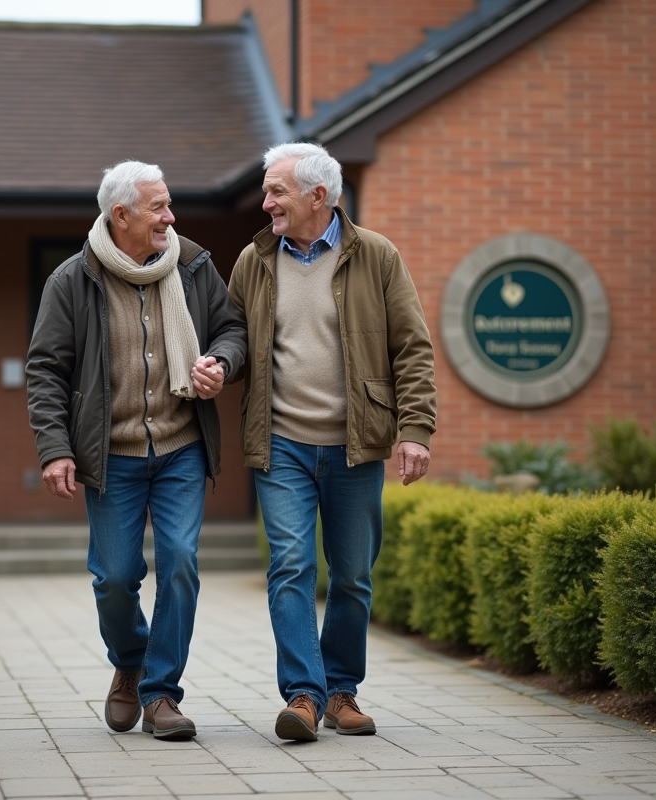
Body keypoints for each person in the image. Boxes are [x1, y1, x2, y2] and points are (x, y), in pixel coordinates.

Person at [26, 160, 246, 740]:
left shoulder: (194, 265)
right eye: (158, 207)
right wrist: (55, 449)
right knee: (115, 577)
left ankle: (160, 695)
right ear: (119, 215)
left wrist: (220, 362)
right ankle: (130, 661)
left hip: (180, 448)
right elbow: (46, 370)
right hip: (112, 457)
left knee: (179, 563)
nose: (170, 217)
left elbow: (232, 329)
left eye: (170, 204)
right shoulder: (73, 281)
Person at [227, 142, 437, 741]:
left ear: (318, 196)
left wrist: (414, 430)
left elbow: (412, 349)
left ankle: (342, 690)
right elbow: (235, 337)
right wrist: (219, 361)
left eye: (276, 192)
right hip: (282, 443)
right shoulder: (254, 261)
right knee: (290, 565)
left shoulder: (376, 256)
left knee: (351, 575)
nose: (265, 202)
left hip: (354, 446)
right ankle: (303, 696)